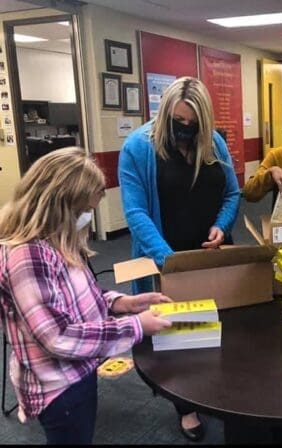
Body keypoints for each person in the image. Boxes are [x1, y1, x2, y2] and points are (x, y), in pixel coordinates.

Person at [0, 147, 173, 445]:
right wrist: (136, 326)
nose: (87, 218)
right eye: (83, 211)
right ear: (58, 205)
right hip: (59, 388)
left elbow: (79, 298)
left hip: (80, 369)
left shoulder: (57, 241)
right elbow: (58, 337)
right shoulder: (27, 256)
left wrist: (123, 303)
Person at [118, 76, 240, 441]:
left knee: (218, 329)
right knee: (176, 337)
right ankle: (186, 407)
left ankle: (215, 391)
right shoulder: (138, 148)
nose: (185, 130)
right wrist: (168, 259)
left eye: (193, 124)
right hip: (164, 259)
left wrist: (221, 225)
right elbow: (136, 213)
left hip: (210, 255)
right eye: (178, 122)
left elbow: (232, 193)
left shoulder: (213, 141)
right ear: (164, 113)